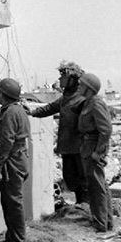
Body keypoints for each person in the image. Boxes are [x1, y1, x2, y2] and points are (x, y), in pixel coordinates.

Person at [29, 61, 87, 203]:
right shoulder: (65, 99)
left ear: (72, 79)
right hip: (67, 148)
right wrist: (31, 112)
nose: (59, 80)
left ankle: (86, 209)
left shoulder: (82, 99)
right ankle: (81, 206)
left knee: (84, 181)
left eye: (63, 77)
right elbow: (49, 108)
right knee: (71, 180)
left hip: (80, 149)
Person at [0, 78, 30, 242]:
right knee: (9, 201)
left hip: (12, 161)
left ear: (4, 94)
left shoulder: (9, 113)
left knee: (13, 202)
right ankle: (12, 238)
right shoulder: (18, 110)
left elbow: (7, 142)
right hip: (19, 158)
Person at [76, 72, 113, 232]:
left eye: (81, 84)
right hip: (88, 147)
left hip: (93, 148)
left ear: (89, 88)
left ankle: (100, 224)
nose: (78, 86)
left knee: (96, 187)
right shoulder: (88, 102)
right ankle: (106, 222)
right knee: (99, 185)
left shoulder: (96, 103)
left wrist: (99, 152)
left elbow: (106, 130)